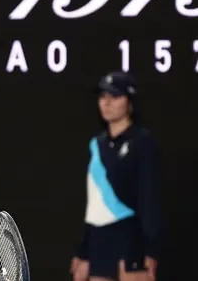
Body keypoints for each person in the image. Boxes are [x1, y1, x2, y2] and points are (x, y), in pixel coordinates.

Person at [70, 72, 163, 281]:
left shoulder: (142, 142)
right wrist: (83, 250)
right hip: (99, 242)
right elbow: (94, 202)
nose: (107, 103)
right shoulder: (97, 144)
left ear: (130, 101)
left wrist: (151, 250)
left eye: (115, 96)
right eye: (103, 96)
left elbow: (149, 199)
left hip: (130, 241)